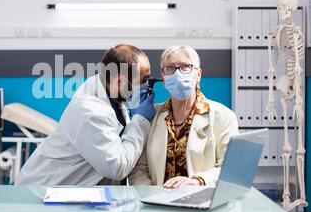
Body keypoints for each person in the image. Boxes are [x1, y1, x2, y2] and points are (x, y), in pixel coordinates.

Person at [16, 44, 156, 186]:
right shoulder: (91, 111)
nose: (147, 86)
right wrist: (140, 121)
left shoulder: (111, 91)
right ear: (119, 81)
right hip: (43, 190)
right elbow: (117, 167)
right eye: (143, 80)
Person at [130, 45, 239, 188]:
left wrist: (198, 181)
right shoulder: (151, 116)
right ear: (163, 78)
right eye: (170, 68)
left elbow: (231, 169)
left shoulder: (223, 116)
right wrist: (152, 197)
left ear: (198, 75)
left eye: (185, 67)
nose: (177, 74)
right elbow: (139, 169)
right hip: (157, 204)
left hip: (202, 202)